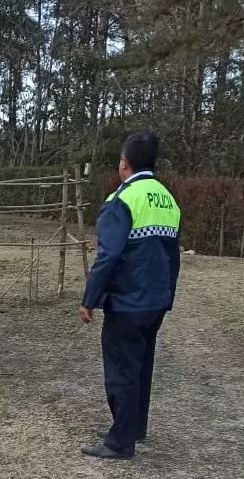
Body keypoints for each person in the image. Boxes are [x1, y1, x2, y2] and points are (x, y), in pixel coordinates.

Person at [79, 131, 181, 459]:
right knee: (141, 365)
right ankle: (133, 426)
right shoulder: (167, 199)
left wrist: (90, 298)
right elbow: (173, 255)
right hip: (156, 299)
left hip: (127, 301)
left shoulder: (122, 199)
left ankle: (119, 442)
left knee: (122, 368)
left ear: (124, 162)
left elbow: (108, 255)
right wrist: (168, 294)